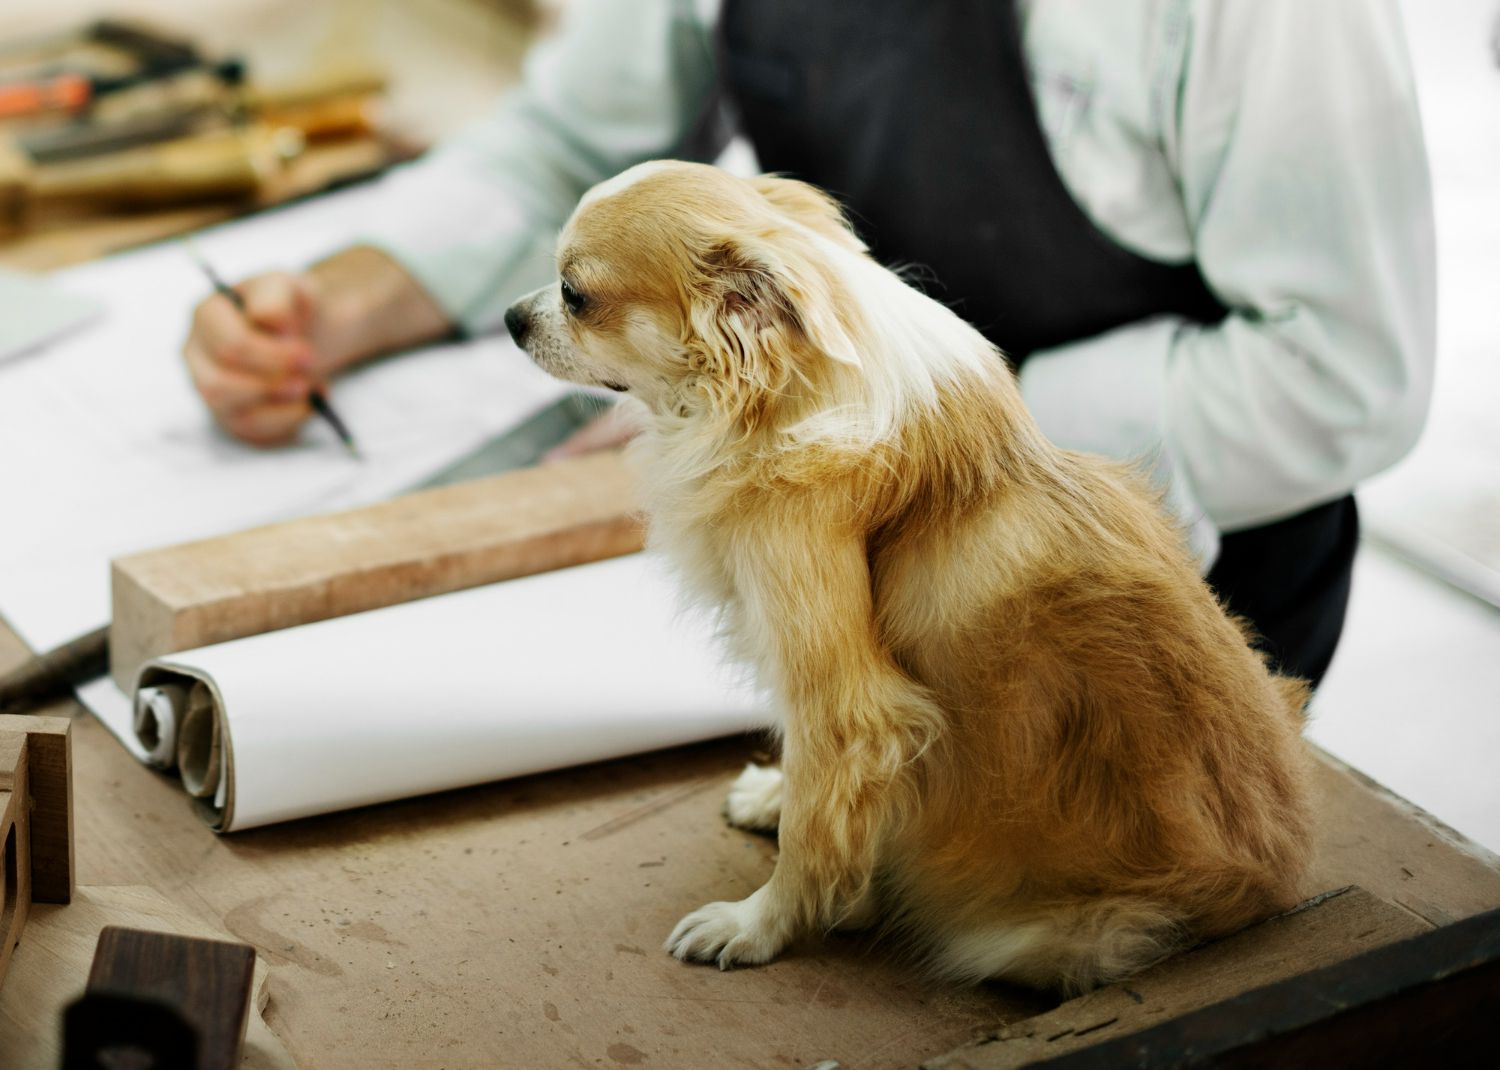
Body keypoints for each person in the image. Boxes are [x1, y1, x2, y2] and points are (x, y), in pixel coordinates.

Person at [182, 0, 1435, 686]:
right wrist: (351, 294)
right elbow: (570, 145)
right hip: (814, 556)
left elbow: (1338, 372)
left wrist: (869, 439)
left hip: (1138, 603)